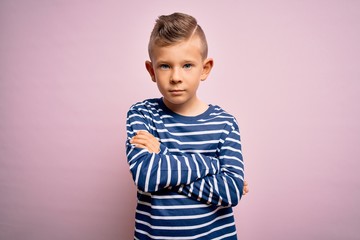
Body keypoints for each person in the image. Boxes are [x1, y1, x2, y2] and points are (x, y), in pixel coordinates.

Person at [126, 12, 248, 240]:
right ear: (151, 70)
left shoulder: (225, 123)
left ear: (205, 68)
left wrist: (163, 156)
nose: (175, 77)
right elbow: (146, 176)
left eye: (187, 65)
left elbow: (232, 191)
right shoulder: (142, 114)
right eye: (164, 66)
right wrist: (213, 166)